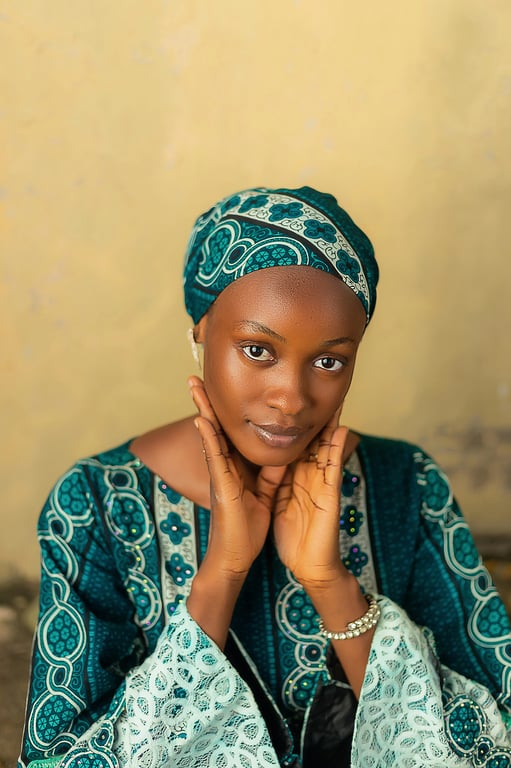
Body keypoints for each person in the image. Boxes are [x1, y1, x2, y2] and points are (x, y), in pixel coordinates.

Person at [20, 186, 511, 768]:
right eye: (257, 349)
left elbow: (495, 743)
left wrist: (332, 588)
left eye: (329, 361)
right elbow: (57, 757)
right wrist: (220, 577)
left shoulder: (407, 484)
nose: (292, 397)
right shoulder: (97, 503)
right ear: (201, 330)